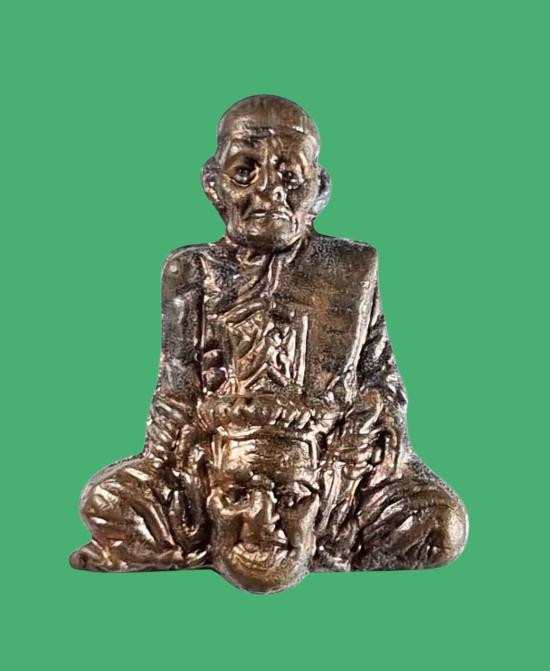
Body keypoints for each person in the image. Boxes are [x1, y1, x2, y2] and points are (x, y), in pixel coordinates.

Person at [70, 95, 467, 593]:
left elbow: (380, 375)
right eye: (245, 172)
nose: (268, 192)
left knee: (440, 525)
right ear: (213, 185)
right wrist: (188, 456)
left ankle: (320, 530)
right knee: (107, 502)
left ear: (319, 188)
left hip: (327, 469)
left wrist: (367, 419)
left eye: (289, 175)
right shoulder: (191, 270)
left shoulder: (352, 267)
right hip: (221, 468)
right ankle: (222, 532)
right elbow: (175, 392)